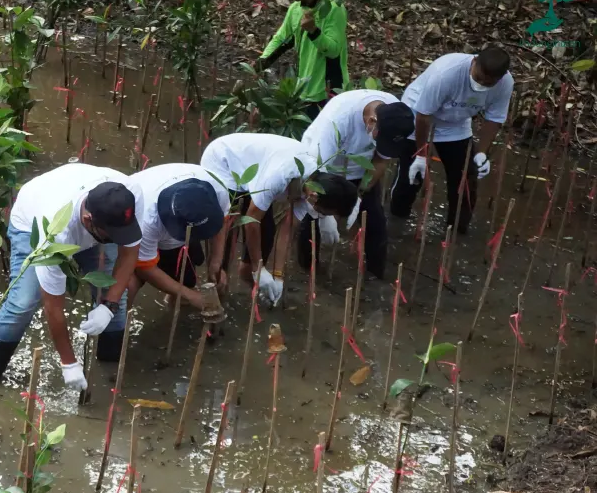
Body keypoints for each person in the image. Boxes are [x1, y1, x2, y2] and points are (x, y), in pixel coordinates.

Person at [0, 164, 143, 389]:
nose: (119, 238)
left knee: (115, 299)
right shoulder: (55, 235)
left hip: (81, 213)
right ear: (88, 220)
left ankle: (110, 376)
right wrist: (69, 363)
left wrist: (109, 306)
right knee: (23, 303)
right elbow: (53, 306)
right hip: (32, 222)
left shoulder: (130, 196)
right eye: (112, 235)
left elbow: (129, 252)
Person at [201, 133, 359, 305]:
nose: (321, 215)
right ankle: (215, 290)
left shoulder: (318, 184)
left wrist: (278, 276)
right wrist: (258, 269)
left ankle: (247, 276)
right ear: (314, 197)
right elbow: (251, 221)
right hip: (226, 161)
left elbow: (288, 229)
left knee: (267, 233)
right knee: (226, 235)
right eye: (324, 213)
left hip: (258, 171)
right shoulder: (280, 176)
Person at [390, 45, 515, 234]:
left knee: (465, 178)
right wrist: (421, 155)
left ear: (500, 78)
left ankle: (457, 229)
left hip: (455, 123)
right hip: (417, 114)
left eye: (488, 83)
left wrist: (481, 152)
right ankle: (396, 221)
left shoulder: (505, 84)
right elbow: (423, 116)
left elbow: (494, 118)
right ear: (474, 62)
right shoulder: (446, 74)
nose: (481, 84)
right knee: (411, 175)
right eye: (478, 78)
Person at [298, 89, 415, 279]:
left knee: (375, 221)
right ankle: (310, 271)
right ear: (371, 122)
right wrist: (324, 214)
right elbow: (315, 176)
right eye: (380, 139)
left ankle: (375, 276)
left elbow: (380, 161)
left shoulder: (396, 115)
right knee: (312, 221)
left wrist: (359, 196)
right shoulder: (337, 121)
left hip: (362, 167)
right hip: (324, 166)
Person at [128, 164, 230, 306]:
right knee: (130, 283)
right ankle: (118, 323)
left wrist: (216, 262)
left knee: (187, 279)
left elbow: (222, 222)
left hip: (170, 222)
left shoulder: (217, 189)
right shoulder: (145, 219)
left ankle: (175, 299)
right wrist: (192, 296)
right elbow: (144, 267)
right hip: (131, 226)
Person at [257, 0, 349, 119]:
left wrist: (314, 31)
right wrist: (261, 62)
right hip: (303, 90)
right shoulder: (295, 9)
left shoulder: (333, 9)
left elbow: (334, 51)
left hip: (329, 93)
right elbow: (281, 39)